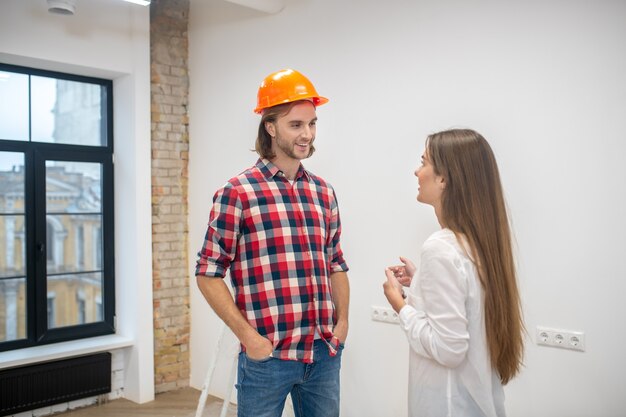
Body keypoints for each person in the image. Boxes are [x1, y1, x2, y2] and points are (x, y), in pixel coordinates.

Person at [195, 68, 350, 417]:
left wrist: (343, 325)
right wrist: (249, 338)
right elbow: (207, 272)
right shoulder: (238, 192)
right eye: (296, 125)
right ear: (270, 126)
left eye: (312, 124)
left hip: (322, 355)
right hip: (268, 359)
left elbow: (335, 263)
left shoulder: (323, 192)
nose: (307, 134)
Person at [383, 128, 524, 417]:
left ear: (444, 178)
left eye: (423, 163)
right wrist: (422, 281)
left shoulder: (440, 248)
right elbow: (467, 307)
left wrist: (401, 305)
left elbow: (449, 349)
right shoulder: (479, 243)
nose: (416, 172)